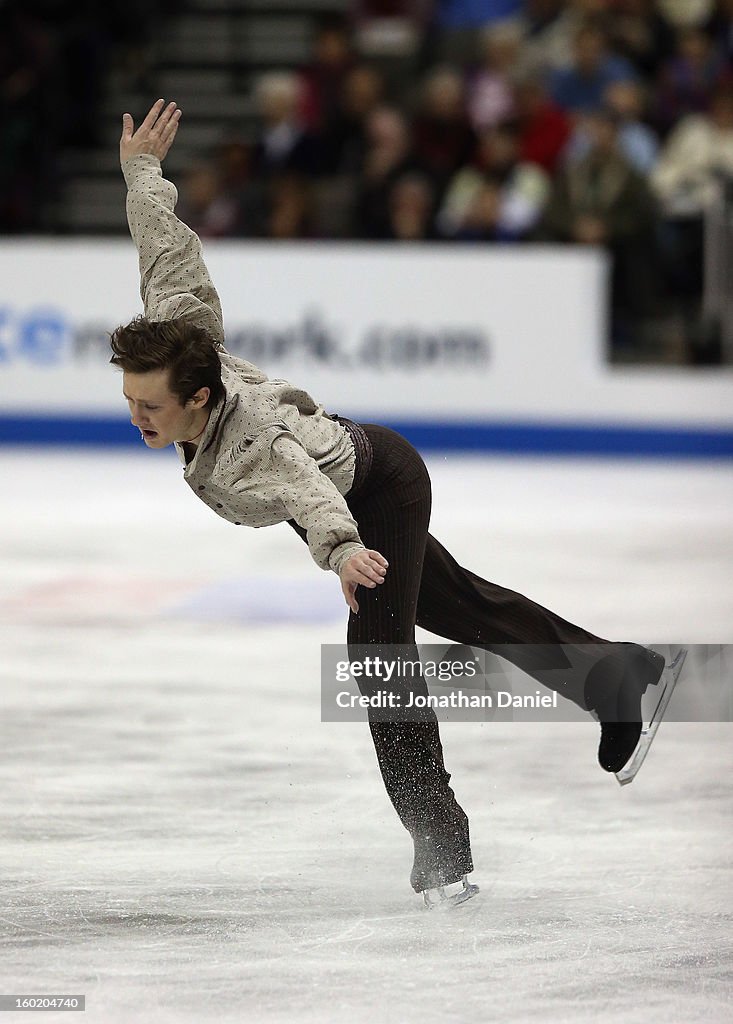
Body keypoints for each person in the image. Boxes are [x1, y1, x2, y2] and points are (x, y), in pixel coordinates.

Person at [113, 99, 666, 908]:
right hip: (351, 483)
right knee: (466, 608)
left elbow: (302, 483)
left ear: (197, 399)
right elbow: (167, 256)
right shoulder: (181, 340)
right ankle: (610, 674)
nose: (136, 418)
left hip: (378, 484)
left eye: (149, 409)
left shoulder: (254, 434)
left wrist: (341, 549)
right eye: (130, 401)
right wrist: (141, 175)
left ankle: (441, 849)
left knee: (380, 665)